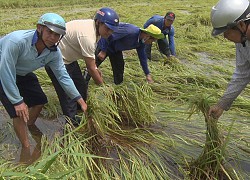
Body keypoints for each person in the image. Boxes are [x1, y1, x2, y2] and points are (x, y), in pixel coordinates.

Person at [0, 13, 87, 159]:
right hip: (3, 70)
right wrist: (18, 101)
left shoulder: (53, 53)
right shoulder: (18, 41)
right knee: (19, 112)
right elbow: (6, 70)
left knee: (40, 101)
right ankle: (26, 149)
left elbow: (63, 76)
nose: (53, 37)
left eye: (57, 35)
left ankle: (28, 125)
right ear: (40, 28)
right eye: (50, 32)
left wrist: (79, 99)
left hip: (22, 71)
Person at [45, 7, 119, 125]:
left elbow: (92, 64)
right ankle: (71, 125)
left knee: (80, 86)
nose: (109, 32)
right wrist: (103, 86)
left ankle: (81, 111)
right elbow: (90, 68)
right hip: (57, 62)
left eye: (112, 30)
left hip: (69, 59)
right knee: (68, 95)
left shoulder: (95, 29)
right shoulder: (88, 37)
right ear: (98, 22)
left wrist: (95, 68)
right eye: (108, 29)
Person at [208, 0, 250, 119]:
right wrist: (221, 105)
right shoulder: (243, 41)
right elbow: (242, 74)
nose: (225, 37)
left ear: (241, 24)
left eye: (226, 32)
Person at [85, 23, 164, 84]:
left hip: (116, 50)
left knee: (119, 70)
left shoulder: (141, 43)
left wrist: (147, 74)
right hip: (105, 44)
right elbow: (108, 34)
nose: (151, 43)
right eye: (152, 41)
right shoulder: (130, 31)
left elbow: (142, 57)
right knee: (92, 67)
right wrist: (103, 51)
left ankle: (117, 87)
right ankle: (83, 84)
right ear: (147, 36)